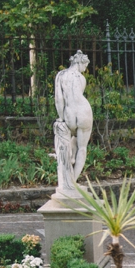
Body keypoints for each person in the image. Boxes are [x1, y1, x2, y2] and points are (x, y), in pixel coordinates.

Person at [52, 51, 93, 199]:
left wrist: (61, 118)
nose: (85, 68)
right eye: (85, 65)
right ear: (79, 62)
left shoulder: (61, 75)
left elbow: (59, 99)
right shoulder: (81, 78)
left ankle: (69, 181)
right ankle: (72, 182)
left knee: (70, 141)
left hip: (69, 114)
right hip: (84, 112)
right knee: (82, 148)